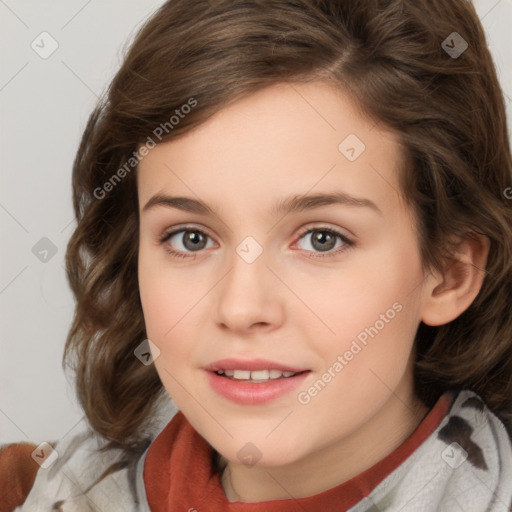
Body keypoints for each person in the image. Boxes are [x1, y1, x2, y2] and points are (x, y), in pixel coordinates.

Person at [3, 0, 512, 510]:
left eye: (321, 239)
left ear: (449, 273)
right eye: (191, 238)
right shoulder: (56, 491)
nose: (241, 308)